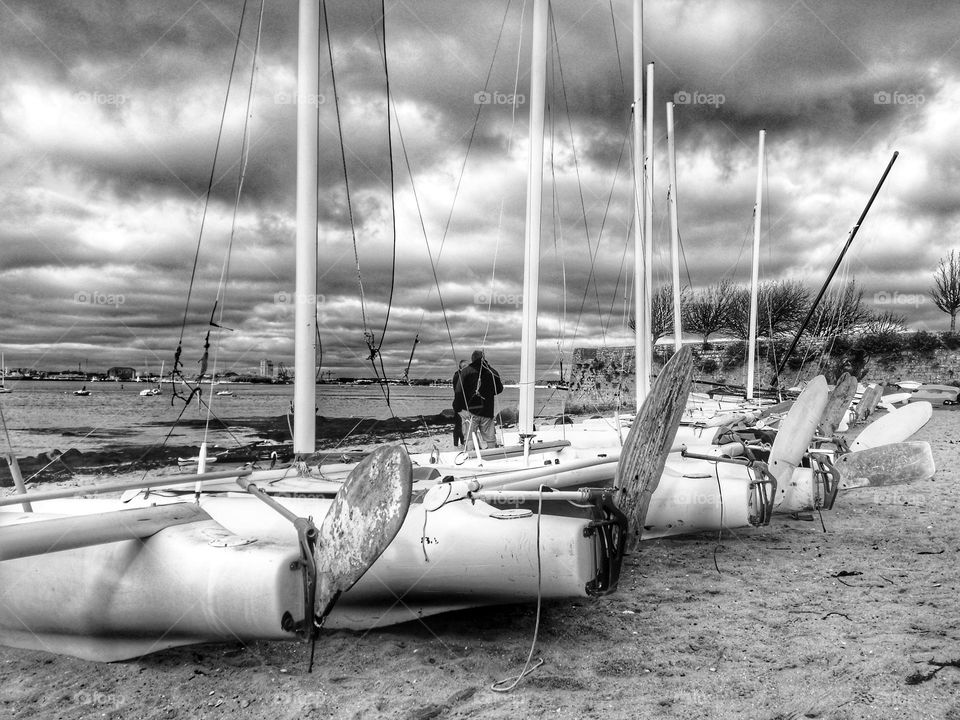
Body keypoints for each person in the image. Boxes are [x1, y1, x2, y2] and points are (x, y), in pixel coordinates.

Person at [455, 349, 504, 448]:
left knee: (469, 437)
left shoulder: (466, 371)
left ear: (472, 359)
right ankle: (492, 455)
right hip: (488, 410)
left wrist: (459, 408)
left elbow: (458, 391)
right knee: (489, 438)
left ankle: (470, 457)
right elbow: (499, 389)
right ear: (484, 358)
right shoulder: (493, 371)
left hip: (471, 411)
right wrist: (488, 394)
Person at [451, 359, 468, 447]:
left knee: (461, 424)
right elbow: (459, 391)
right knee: (459, 424)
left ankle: (461, 442)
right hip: (459, 403)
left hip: (461, 403)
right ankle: (457, 443)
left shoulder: (461, 375)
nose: (467, 368)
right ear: (461, 368)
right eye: (465, 366)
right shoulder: (458, 376)